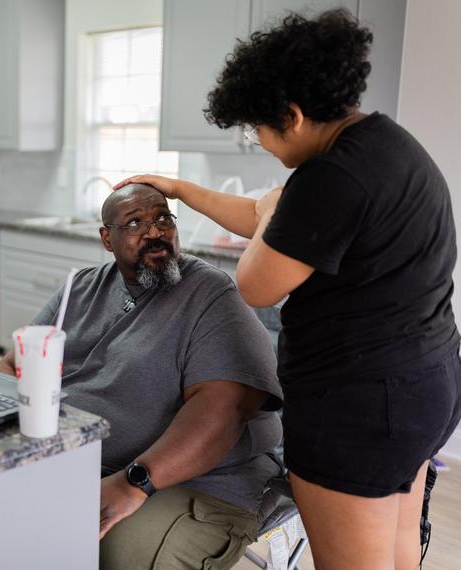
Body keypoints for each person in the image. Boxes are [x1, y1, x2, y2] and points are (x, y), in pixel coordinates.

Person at [115, 9, 461, 569]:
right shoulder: (384, 144)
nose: (262, 144)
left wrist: (277, 206)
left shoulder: (329, 179)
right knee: (396, 556)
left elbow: (255, 283)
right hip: (424, 386)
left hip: (361, 409)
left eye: (259, 130)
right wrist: (179, 188)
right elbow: (262, 217)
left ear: (292, 116)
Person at [0, 183, 283, 569]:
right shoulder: (80, 287)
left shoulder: (209, 295)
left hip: (196, 481)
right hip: (77, 461)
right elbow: (17, 365)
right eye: (135, 223)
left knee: (122, 556)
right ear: (107, 239)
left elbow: (224, 410)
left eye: (163, 218)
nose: (154, 232)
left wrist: (135, 482)